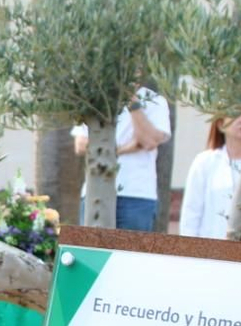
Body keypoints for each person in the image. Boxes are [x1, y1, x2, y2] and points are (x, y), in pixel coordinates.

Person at [71, 88, 171, 231]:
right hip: (95, 191)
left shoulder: (154, 100)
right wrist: (126, 147)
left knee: (132, 252)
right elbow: (81, 145)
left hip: (136, 196)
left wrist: (133, 103)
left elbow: (148, 141)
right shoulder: (94, 97)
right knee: (93, 251)